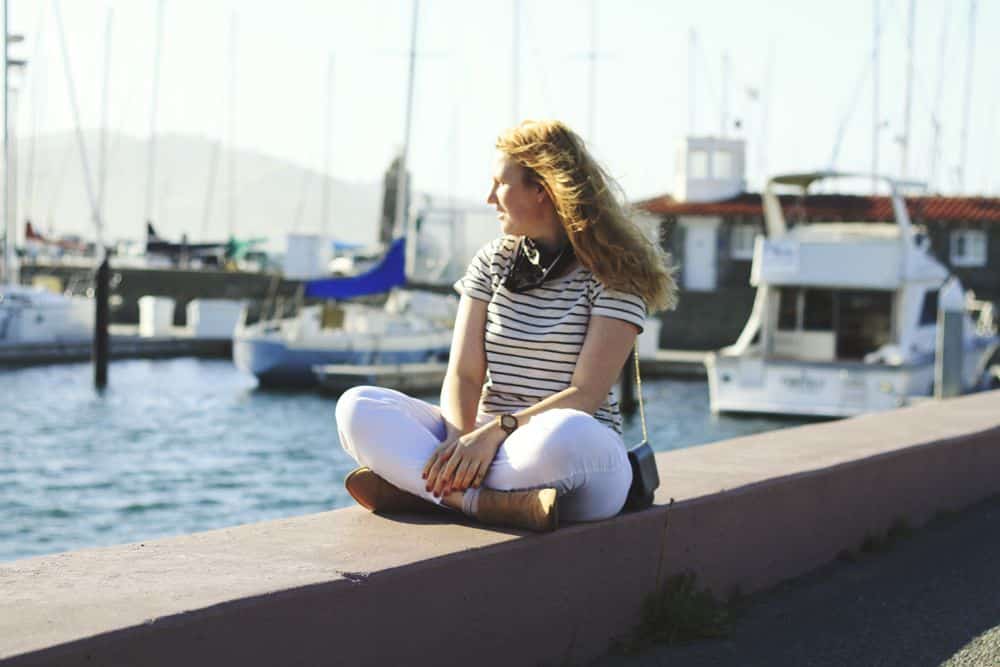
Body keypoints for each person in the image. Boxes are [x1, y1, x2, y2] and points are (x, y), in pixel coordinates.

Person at [335, 120, 677, 532]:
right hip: (486, 448)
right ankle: (482, 500)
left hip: (576, 456)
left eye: (500, 184)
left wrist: (497, 432)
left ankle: (429, 491)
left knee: (563, 435)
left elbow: (584, 395)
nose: (489, 197)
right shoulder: (492, 261)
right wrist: (458, 444)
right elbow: (463, 374)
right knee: (357, 407)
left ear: (543, 190)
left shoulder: (615, 274)